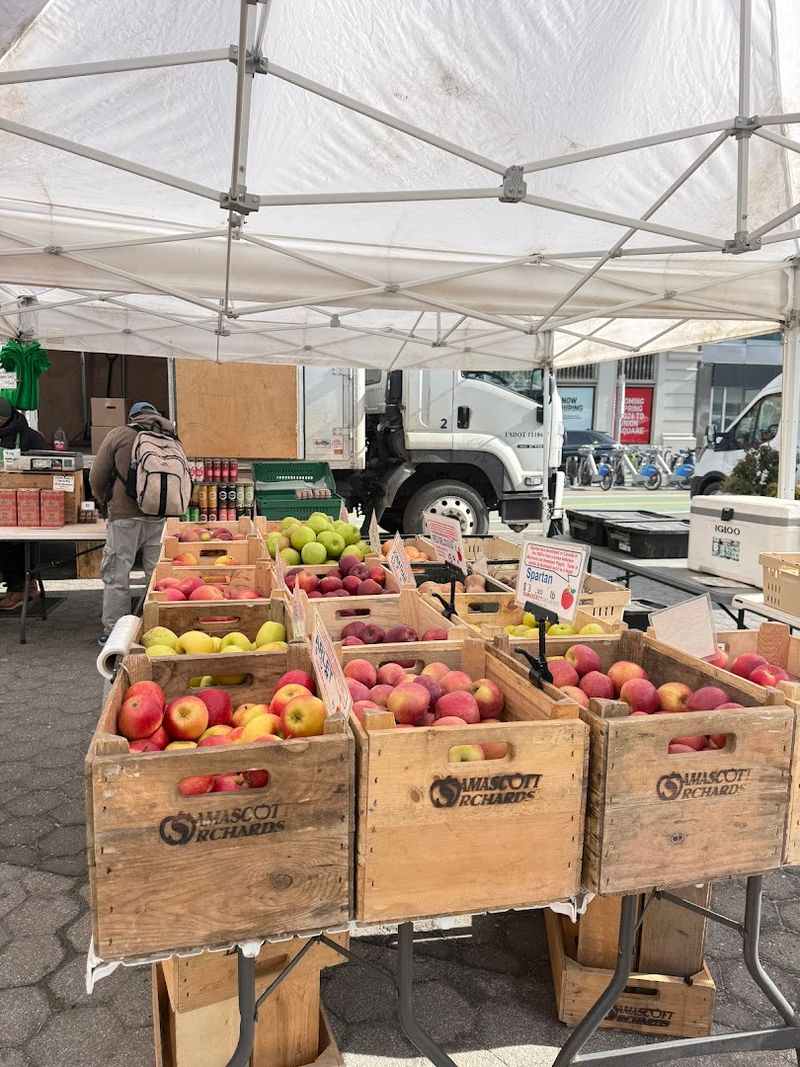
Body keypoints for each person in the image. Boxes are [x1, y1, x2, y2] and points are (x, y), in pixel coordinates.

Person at [90, 401, 174, 643]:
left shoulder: (120, 434)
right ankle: (157, 628)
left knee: (118, 573)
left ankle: (114, 634)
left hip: (125, 516)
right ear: (155, 416)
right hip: (160, 515)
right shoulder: (169, 437)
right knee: (157, 574)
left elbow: (97, 476)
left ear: (132, 417)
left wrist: (105, 500)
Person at [0, 397, 46, 611]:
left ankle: (20, 588)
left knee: (16, 545)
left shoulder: (30, 438)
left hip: (24, 504)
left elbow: (46, 469)